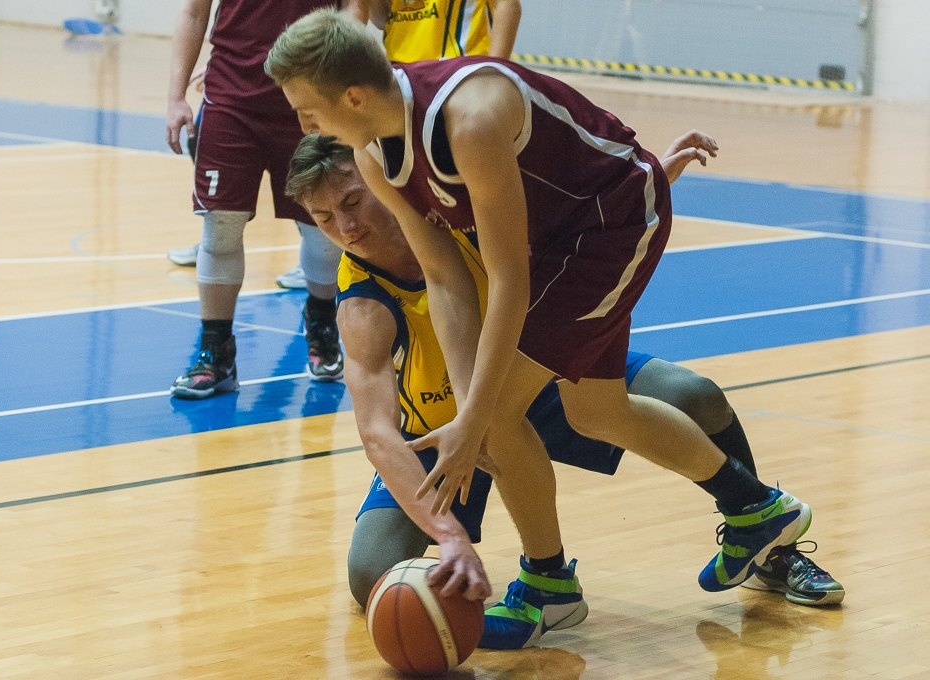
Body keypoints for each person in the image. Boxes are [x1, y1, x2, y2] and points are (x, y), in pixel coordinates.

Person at [265, 10, 819, 648]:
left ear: (354, 96)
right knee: (593, 410)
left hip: (607, 227)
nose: (304, 124)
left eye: (308, 109)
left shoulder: (467, 118)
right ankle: (755, 507)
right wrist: (472, 400)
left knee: (498, 414)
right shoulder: (370, 154)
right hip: (557, 244)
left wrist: (475, 414)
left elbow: (507, 279)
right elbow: (444, 276)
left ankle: (549, 586)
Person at [164, 0, 360, 397]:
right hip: (232, 97)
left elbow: (355, 10)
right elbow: (193, 12)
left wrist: (338, 82)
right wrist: (176, 96)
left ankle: (321, 325)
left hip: (309, 98)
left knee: (322, 229)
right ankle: (216, 352)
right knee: (220, 225)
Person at [343, 0, 521, 63]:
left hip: (458, 67)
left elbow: (508, 5)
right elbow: (383, 20)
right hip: (399, 71)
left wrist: (497, 67)